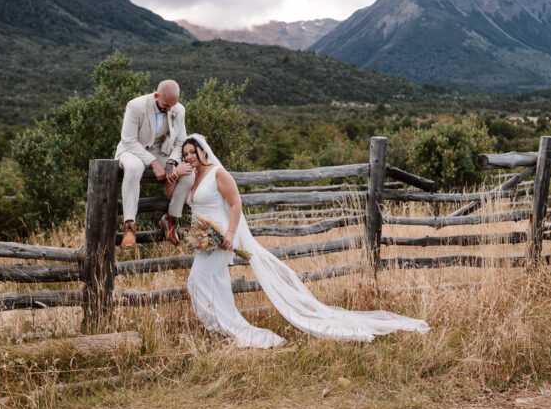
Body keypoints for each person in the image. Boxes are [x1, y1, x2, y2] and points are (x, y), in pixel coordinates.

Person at [177, 134, 430, 348]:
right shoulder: (191, 176)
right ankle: (221, 329)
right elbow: (172, 192)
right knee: (205, 283)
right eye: (185, 153)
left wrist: (230, 235)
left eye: (192, 152)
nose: (189, 156)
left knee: (200, 280)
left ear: (203, 151)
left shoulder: (218, 173)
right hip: (202, 239)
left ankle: (234, 331)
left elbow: (235, 204)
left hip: (220, 239)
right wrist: (174, 171)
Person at [115, 80, 193, 247]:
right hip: (133, 150)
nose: (170, 110)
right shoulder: (135, 106)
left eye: (173, 105)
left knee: (188, 173)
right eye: (166, 106)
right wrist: (154, 163)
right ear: (156, 95)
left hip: (162, 152)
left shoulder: (179, 110)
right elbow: (128, 140)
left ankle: (170, 218)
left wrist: (171, 163)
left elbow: (180, 141)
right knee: (133, 168)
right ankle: (129, 225)